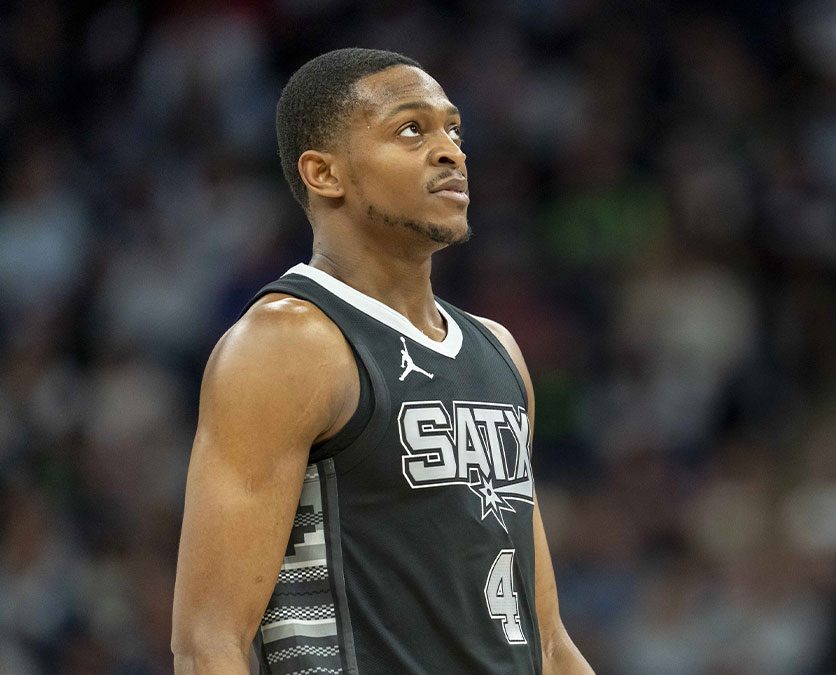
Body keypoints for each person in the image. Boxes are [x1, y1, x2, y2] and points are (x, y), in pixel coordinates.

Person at [171, 48, 593, 675]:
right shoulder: (287, 343)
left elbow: (548, 640)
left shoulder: (497, 349)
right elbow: (209, 641)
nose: (451, 151)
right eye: (411, 130)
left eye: (454, 128)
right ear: (324, 174)